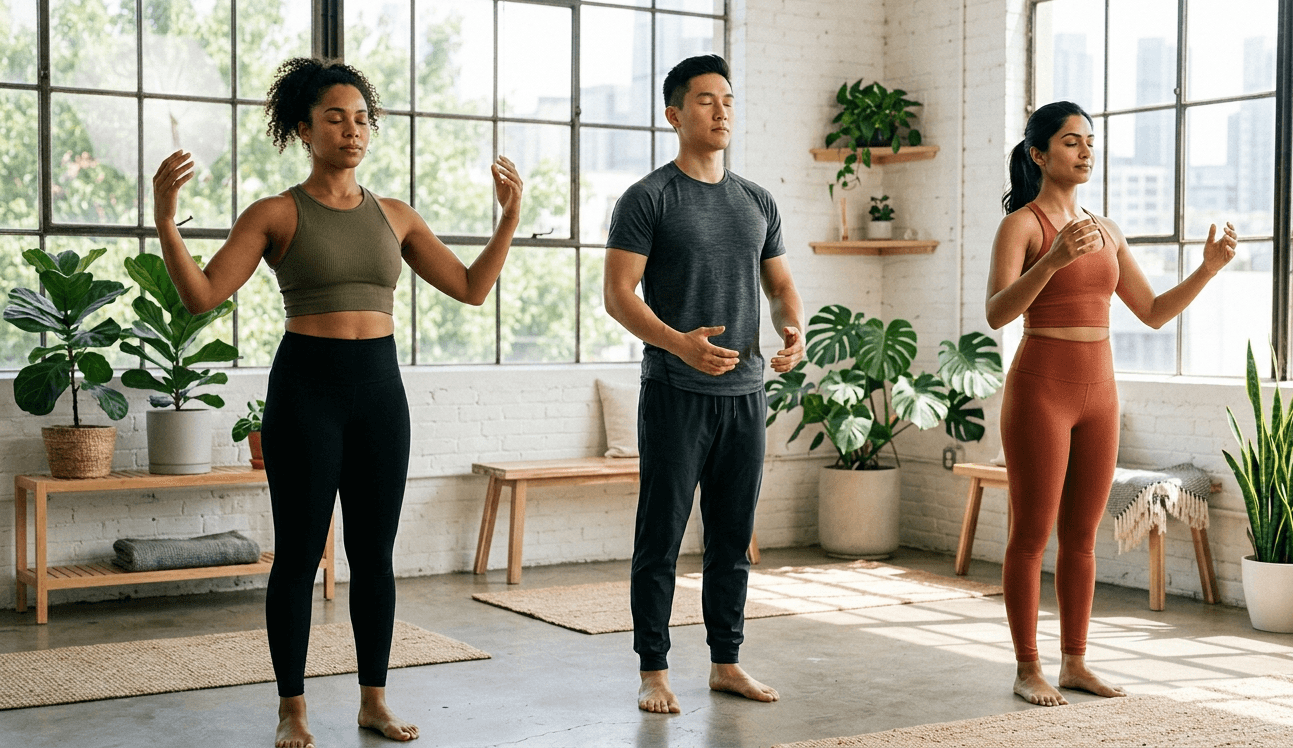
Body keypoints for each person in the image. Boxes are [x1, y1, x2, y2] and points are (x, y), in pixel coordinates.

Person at [150, 57, 523, 747]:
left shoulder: (397, 216)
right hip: (306, 390)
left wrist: (507, 221)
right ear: (303, 128)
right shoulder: (274, 213)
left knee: (373, 555)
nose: (352, 130)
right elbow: (201, 297)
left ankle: (373, 702)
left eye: (361, 119)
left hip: (380, 391)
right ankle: (292, 709)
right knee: (297, 555)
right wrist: (167, 223)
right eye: (335, 117)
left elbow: (471, 289)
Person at [986, 101, 1237, 707]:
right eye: (1071, 142)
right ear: (1038, 155)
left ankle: (1075, 661)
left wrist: (1206, 269)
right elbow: (998, 312)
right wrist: (1054, 258)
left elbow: (1151, 313)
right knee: (1030, 535)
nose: (1085, 151)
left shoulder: (1109, 229)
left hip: (1100, 393)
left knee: (1082, 537)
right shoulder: (1023, 226)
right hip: (1040, 389)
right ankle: (1028, 668)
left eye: (1090, 142)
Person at [603, 54, 805, 714]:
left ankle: (726, 662)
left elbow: (779, 287)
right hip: (674, 393)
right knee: (659, 538)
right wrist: (678, 345)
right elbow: (617, 295)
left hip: (746, 396)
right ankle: (654, 670)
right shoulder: (647, 198)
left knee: (732, 540)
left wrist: (793, 330)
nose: (721, 111)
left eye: (728, 100)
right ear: (673, 114)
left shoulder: (757, 201)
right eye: (705, 100)